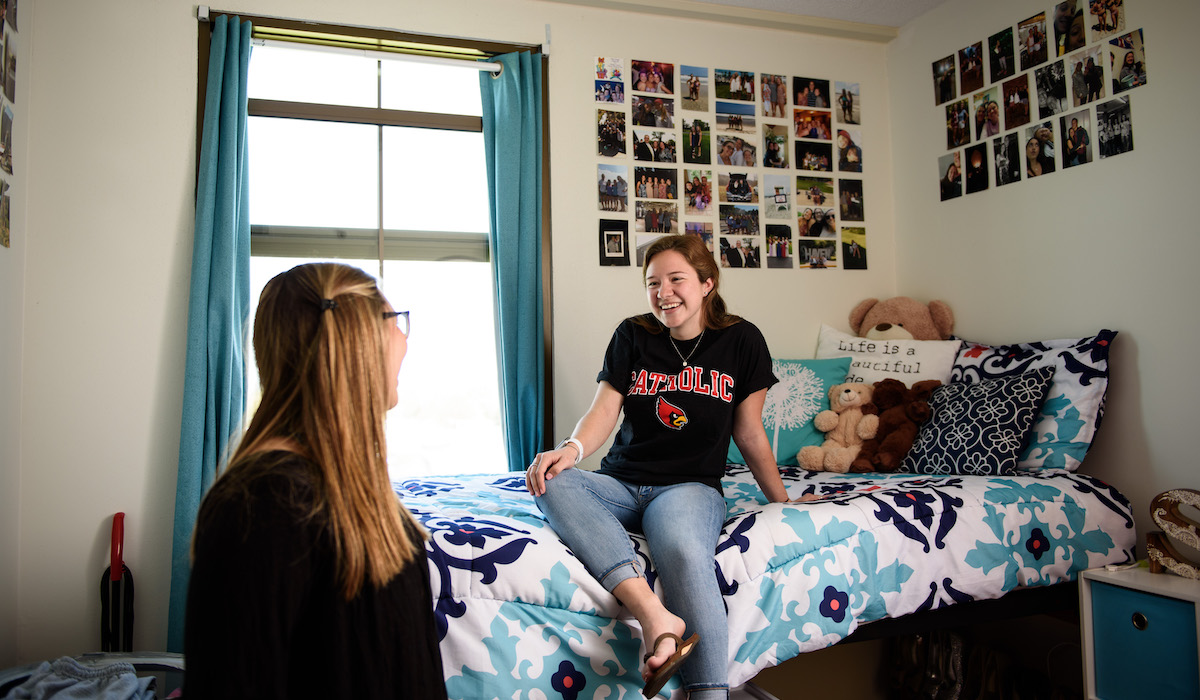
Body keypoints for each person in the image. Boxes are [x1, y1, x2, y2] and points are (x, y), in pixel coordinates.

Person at [527, 235, 799, 699]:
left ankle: (709, 694)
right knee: (551, 481)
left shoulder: (741, 340)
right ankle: (656, 617)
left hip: (688, 487)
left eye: (676, 279)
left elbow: (749, 432)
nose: (663, 292)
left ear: (707, 283)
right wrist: (570, 450)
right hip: (620, 482)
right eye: (653, 282)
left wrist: (783, 500)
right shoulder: (633, 334)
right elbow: (604, 410)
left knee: (681, 550)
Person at [185, 263, 446, 700]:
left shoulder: (347, 486)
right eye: (395, 319)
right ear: (354, 337)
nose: (404, 337)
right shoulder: (261, 506)